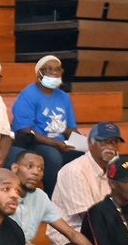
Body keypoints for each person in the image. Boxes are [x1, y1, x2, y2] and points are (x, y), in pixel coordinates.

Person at [9, 150, 102, 245]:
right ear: (15, 168)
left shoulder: (40, 197)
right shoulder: (4, 195)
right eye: (30, 166)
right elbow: (12, 243)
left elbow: (70, 232)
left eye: (40, 169)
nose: (36, 172)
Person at [11, 55, 83, 196]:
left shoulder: (63, 97)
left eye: (57, 69)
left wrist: (84, 144)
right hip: (34, 143)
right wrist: (54, 144)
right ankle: (54, 200)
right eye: (49, 69)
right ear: (39, 73)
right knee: (52, 156)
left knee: (86, 153)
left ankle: (79, 199)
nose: (55, 73)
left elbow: (69, 129)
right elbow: (25, 130)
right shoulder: (29, 94)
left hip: (59, 143)